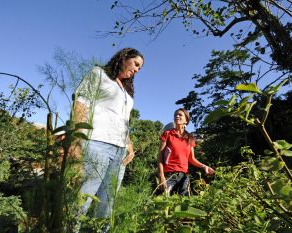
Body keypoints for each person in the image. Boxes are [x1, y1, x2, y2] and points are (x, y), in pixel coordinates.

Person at [73, 48, 144, 221]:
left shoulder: (128, 94)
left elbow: (124, 123)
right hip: (97, 144)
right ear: (124, 58)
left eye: (139, 69)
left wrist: (130, 146)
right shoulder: (99, 74)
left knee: (107, 205)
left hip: (120, 152)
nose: (136, 70)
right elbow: (81, 105)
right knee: (83, 199)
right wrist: (76, 140)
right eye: (135, 64)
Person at [158, 108, 214, 196]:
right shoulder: (167, 134)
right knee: (163, 202)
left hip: (184, 176)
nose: (177, 116)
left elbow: (192, 159)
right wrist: (161, 176)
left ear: (186, 120)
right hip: (169, 175)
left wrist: (204, 166)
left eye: (180, 115)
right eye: (175, 115)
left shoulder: (190, 138)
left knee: (183, 203)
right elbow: (160, 156)